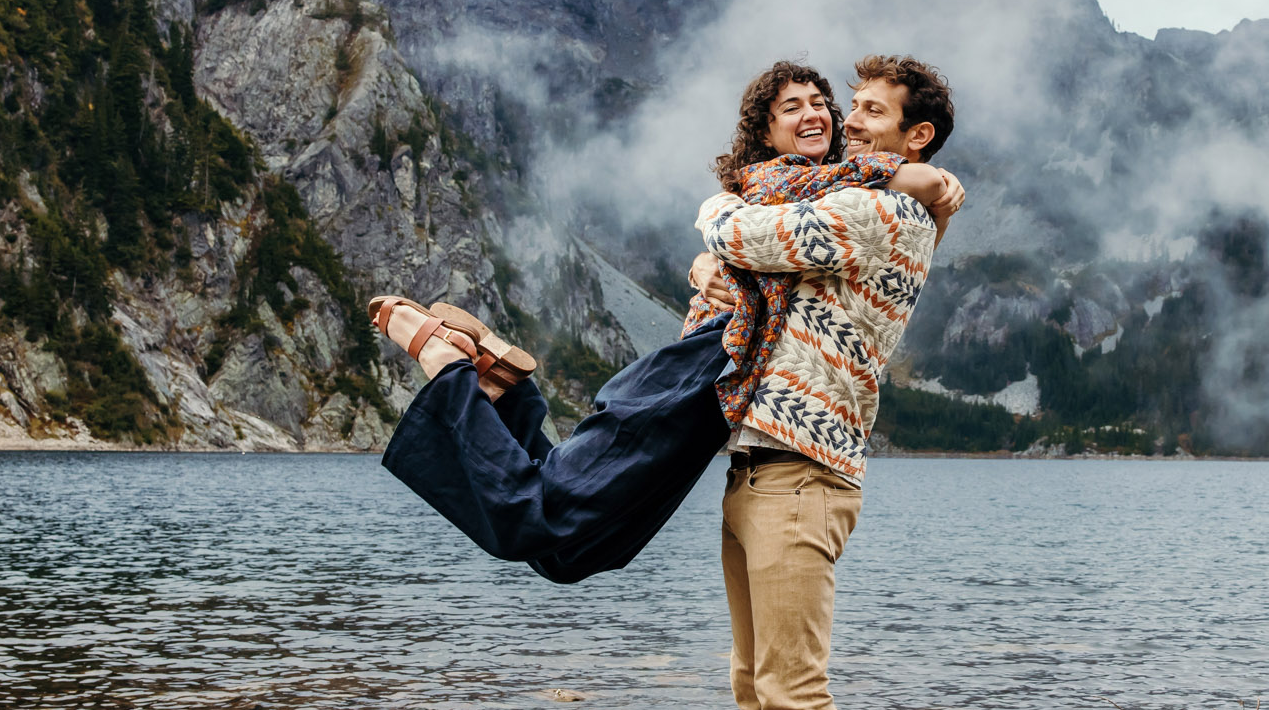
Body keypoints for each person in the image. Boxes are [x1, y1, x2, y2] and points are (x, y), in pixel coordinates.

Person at [366, 60, 960, 585]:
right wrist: (713, 239)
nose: (829, 117)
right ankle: (451, 369)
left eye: (826, 105)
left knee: (575, 549)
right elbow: (741, 230)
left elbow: (873, 265)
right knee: (547, 522)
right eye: (794, 107)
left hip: (714, 377)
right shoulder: (784, 185)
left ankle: (502, 390)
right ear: (764, 132)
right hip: (707, 365)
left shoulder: (843, 188)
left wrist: (917, 187)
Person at [683, 54, 958, 710]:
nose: (849, 124)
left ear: (915, 136)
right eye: (853, 109)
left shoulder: (885, 213)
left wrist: (717, 219)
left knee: (796, 691)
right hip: (756, 464)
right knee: (754, 685)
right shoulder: (861, 187)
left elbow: (757, 234)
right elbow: (747, 249)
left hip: (806, 474)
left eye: (871, 114)